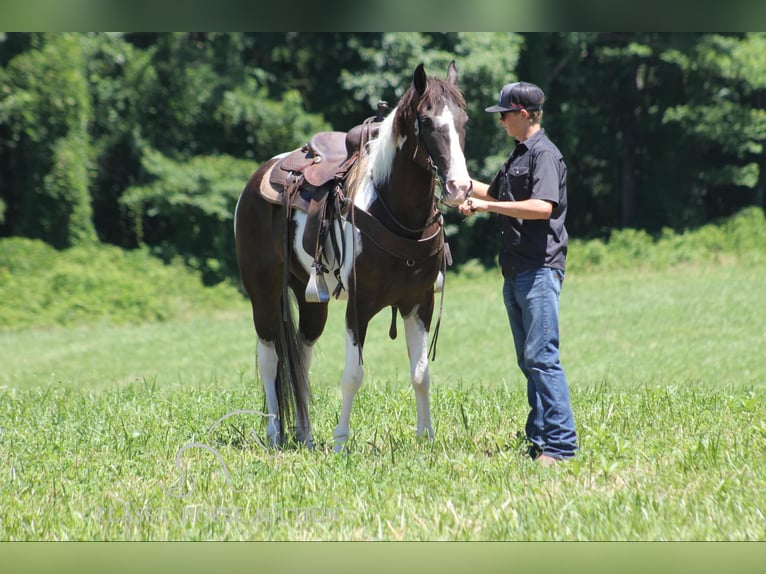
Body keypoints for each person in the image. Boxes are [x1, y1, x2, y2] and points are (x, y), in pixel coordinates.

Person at [459, 81, 577, 465]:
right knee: (529, 361)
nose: (502, 122)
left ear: (523, 114)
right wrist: (458, 185)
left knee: (543, 358)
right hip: (516, 271)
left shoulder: (544, 155)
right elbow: (494, 194)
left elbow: (542, 207)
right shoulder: (518, 155)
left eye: (505, 115)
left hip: (539, 270)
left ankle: (561, 447)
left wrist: (485, 208)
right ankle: (539, 439)